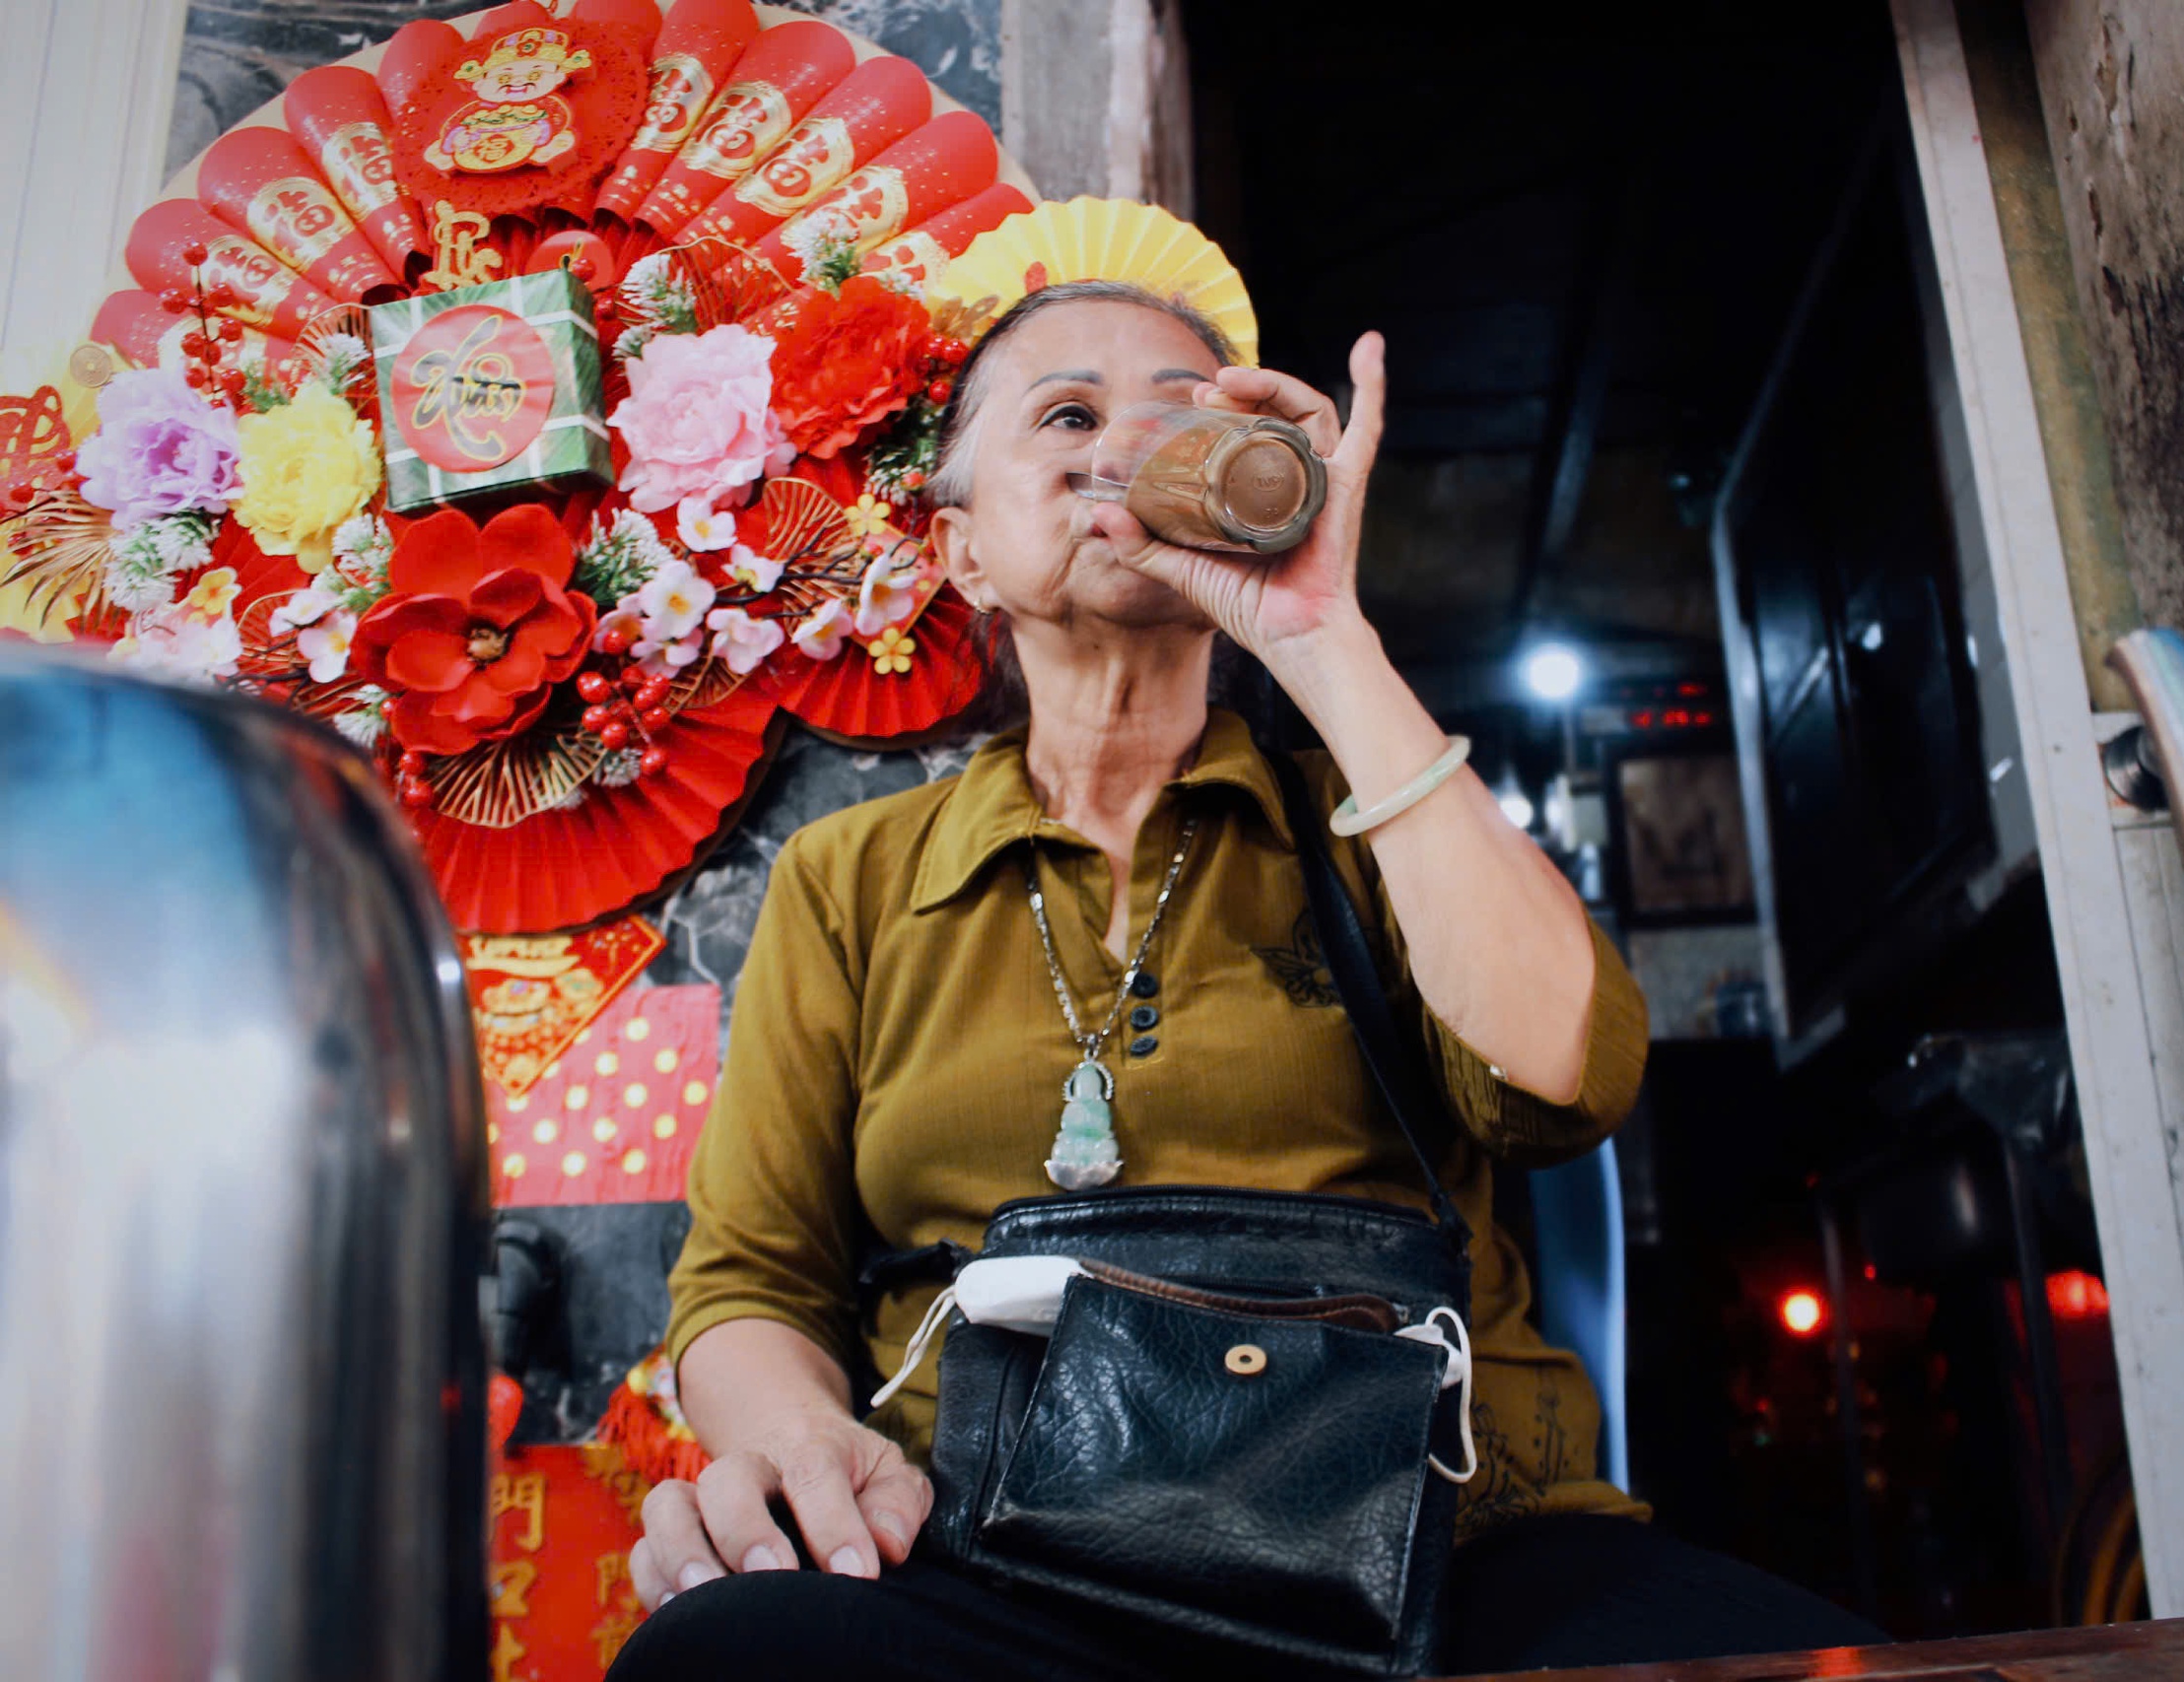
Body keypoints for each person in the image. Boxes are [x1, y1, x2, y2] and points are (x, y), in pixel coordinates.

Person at [611, 249, 1877, 1678]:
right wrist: (804, 1442)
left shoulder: (1371, 819)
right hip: (992, 1559)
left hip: (1450, 1545)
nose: (1124, 448)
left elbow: (1560, 1084)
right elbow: (752, 1281)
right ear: (961, 550)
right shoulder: (850, 880)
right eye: (1070, 415)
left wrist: (1324, 638)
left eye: (1176, 416)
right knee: (721, 1656)